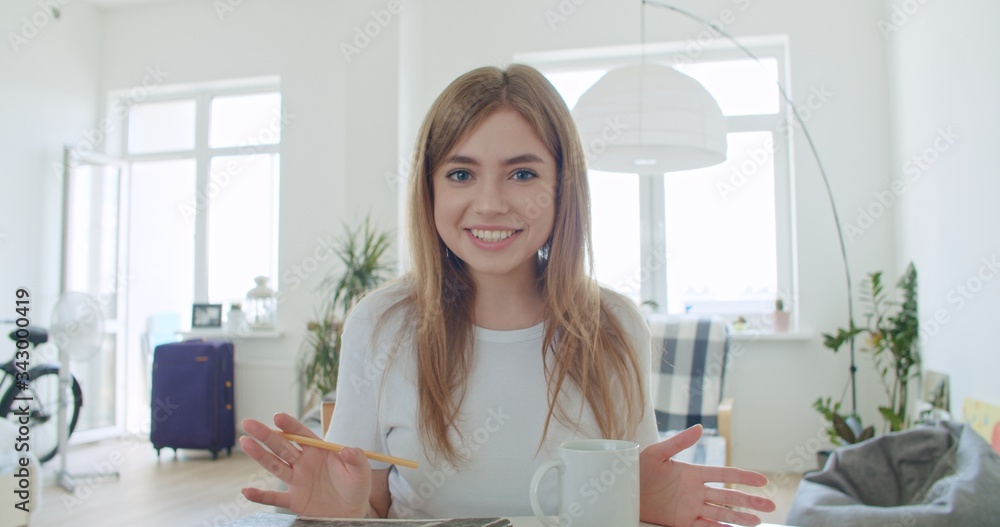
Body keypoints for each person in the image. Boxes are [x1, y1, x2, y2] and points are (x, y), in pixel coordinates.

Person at [240, 63, 776, 526]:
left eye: (522, 173)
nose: (491, 203)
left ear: (564, 187)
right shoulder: (379, 324)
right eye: (460, 173)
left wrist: (639, 503)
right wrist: (345, 513)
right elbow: (375, 504)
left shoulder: (616, 324)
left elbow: (627, 492)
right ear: (429, 190)